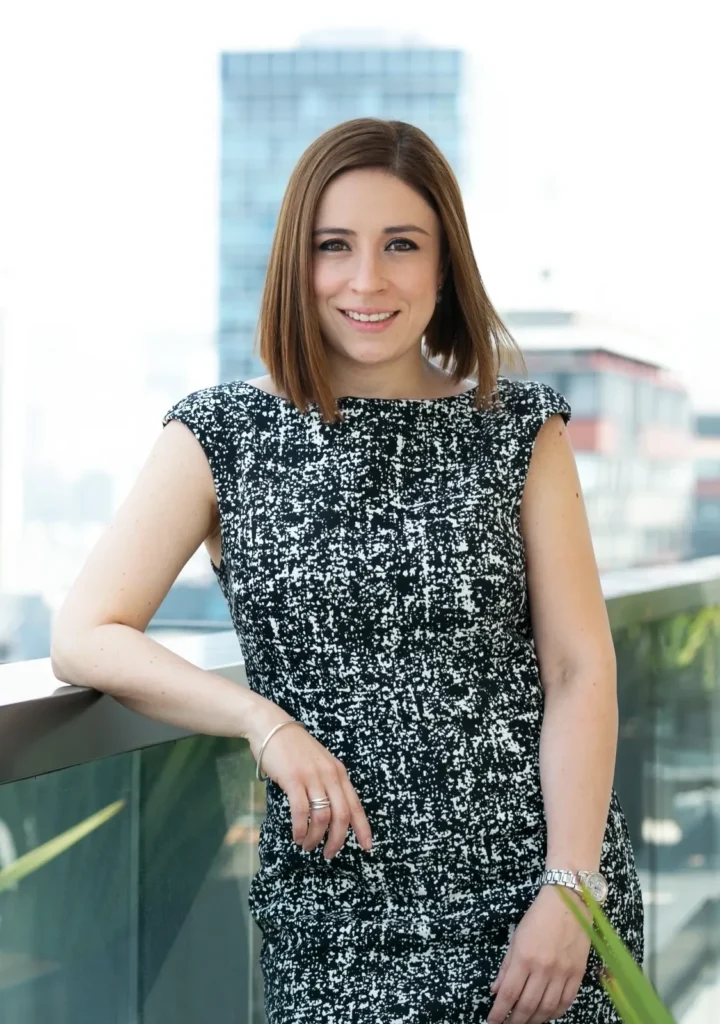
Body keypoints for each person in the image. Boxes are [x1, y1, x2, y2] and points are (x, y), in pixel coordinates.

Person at [51, 118, 644, 1023]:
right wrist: (264, 723)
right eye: (335, 246)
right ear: (297, 263)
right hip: (335, 910)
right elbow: (85, 635)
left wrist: (570, 889)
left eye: (401, 245)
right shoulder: (221, 434)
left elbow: (577, 669)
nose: (367, 280)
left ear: (445, 267)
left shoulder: (520, 428)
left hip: (537, 904)